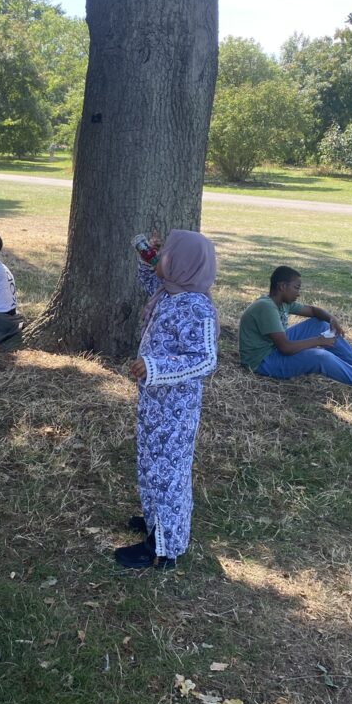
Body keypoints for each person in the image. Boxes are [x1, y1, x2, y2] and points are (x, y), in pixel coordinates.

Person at [114, 230, 219, 572]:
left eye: (169, 256)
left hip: (176, 407)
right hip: (155, 401)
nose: (161, 261)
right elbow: (151, 274)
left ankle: (164, 549)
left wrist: (156, 366)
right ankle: (154, 523)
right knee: (149, 464)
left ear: (184, 266)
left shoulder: (197, 307)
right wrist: (143, 246)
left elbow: (205, 359)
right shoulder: (169, 292)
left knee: (169, 472)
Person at [239, 266, 352, 401]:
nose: (298, 293)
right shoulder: (266, 307)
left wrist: (331, 319)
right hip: (261, 362)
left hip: (273, 347)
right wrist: (319, 341)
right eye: (296, 287)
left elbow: (314, 311)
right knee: (320, 357)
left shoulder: (281, 303)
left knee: (319, 323)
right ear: (282, 286)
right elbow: (285, 348)